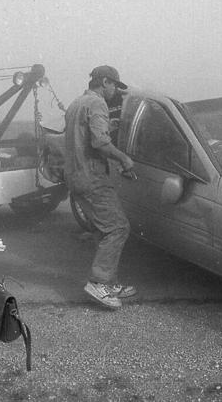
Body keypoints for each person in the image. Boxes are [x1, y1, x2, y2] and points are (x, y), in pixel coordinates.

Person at [64, 65, 137, 309]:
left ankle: (110, 281)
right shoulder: (97, 104)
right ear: (104, 81)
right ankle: (99, 282)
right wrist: (124, 159)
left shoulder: (77, 103)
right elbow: (100, 142)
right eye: (114, 85)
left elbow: (82, 138)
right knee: (118, 227)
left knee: (102, 228)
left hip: (76, 175)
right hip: (92, 177)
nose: (115, 91)